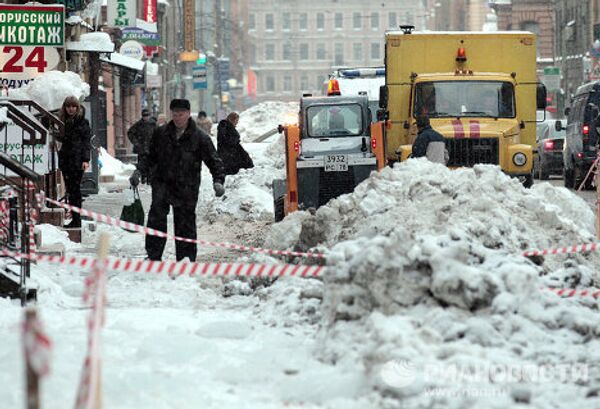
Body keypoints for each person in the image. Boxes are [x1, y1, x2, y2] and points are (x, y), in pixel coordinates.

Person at [130, 99, 225, 262]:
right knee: (156, 219)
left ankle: (185, 259)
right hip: (162, 183)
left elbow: (214, 160)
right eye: (174, 114)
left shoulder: (199, 137)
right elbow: (149, 156)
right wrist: (139, 171)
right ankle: (153, 256)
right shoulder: (161, 134)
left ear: (188, 114)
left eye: (181, 114)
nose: (178, 117)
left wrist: (218, 180)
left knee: (185, 223)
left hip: (187, 186)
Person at [56, 96, 91, 228]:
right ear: (65, 108)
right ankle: (75, 219)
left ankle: (77, 219)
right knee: (71, 190)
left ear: (77, 107)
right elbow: (61, 138)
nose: (71, 109)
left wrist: (85, 159)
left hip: (77, 161)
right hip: (66, 159)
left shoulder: (83, 122)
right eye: (68, 106)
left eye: (73, 106)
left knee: (75, 190)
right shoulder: (62, 121)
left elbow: (86, 142)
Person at [127, 109, 156, 183]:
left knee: (151, 164)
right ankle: (143, 177)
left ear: (149, 116)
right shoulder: (138, 124)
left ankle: (150, 179)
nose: (145, 117)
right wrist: (136, 142)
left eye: (147, 115)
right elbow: (130, 133)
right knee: (141, 164)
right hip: (141, 148)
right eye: (144, 116)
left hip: (151, 148)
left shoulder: (153, 124)